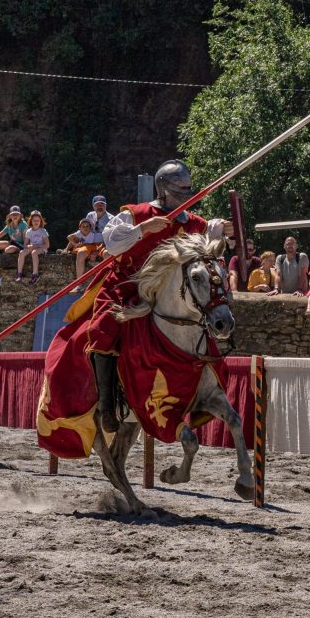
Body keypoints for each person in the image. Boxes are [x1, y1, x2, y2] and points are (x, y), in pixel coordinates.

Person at [74, 159, 233, 433]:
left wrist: (224, 229)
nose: (185, 196)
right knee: (104, 328)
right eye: (179, 191)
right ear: (163, 189)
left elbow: (211, 236)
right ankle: (107, 406)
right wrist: (143, 229)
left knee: (203, 322)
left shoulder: (194, 223)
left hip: (169, 292)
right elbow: (112, 243)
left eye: (187, 191)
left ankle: (198, 392)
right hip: (127, 285)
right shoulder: (137, 214)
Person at [65, 218, 104, 284]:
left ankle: (79, 281)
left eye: (87, 226)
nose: (85, 228)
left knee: (81, 251)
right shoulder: (79, 233)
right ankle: (79, 281)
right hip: (83, 248)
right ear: (80, 228)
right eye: (83, 226)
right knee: (75, 240)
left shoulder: (93, 234)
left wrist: (96, 250)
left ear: (90, 227)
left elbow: (100, 243)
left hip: (90, 248)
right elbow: (69, 237)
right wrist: (75, 244)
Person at [16, 210, 50, 284]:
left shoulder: (43, 231)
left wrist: (36, 246)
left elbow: (47, 245)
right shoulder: (29, 231)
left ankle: (35, 274)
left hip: (41, 248)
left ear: (40, 221)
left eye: (38, 220)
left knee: (34, 252)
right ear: (31, 221)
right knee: (21, 252)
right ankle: (19, 274)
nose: (36, 222)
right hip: (32, 248)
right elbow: (25, 245)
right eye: (34, 220)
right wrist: (28, 246)